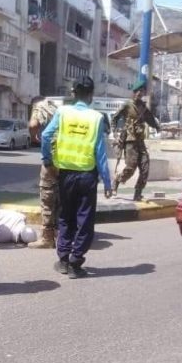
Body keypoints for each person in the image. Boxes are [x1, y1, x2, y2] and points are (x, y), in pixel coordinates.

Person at [41, 76, 112, 279]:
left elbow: (46, 135)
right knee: (85, 220)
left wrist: (48, 160)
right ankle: (76, 261)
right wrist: (107, 181)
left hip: (66, 175)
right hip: (88, 176)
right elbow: (100, 152)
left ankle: (63, 259)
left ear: (73, 93)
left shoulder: (62, 112)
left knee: (65, 217)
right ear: (91, 95)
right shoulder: (97, 118)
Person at [112, 80, 159, 201]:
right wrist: (115, 132)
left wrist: (157, 127)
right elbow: (115, 117)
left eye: (142, 91)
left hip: (140, 141)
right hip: (130, 141)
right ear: (134, 92)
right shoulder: (127, 105)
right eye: (138, 91)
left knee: (145, 167)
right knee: (131, 168)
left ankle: (138, 193)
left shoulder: (143, 107)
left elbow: (150, 119)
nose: (140, 93)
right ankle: (117, 180)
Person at [27, 96, 58, 249]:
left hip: (51, 157)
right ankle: (60, 234)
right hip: (65, 157)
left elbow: (33, 124)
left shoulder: (39, 107)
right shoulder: (56, 108)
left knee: (47, 196)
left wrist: (33, 136)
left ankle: (47, 238)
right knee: (60, 198)